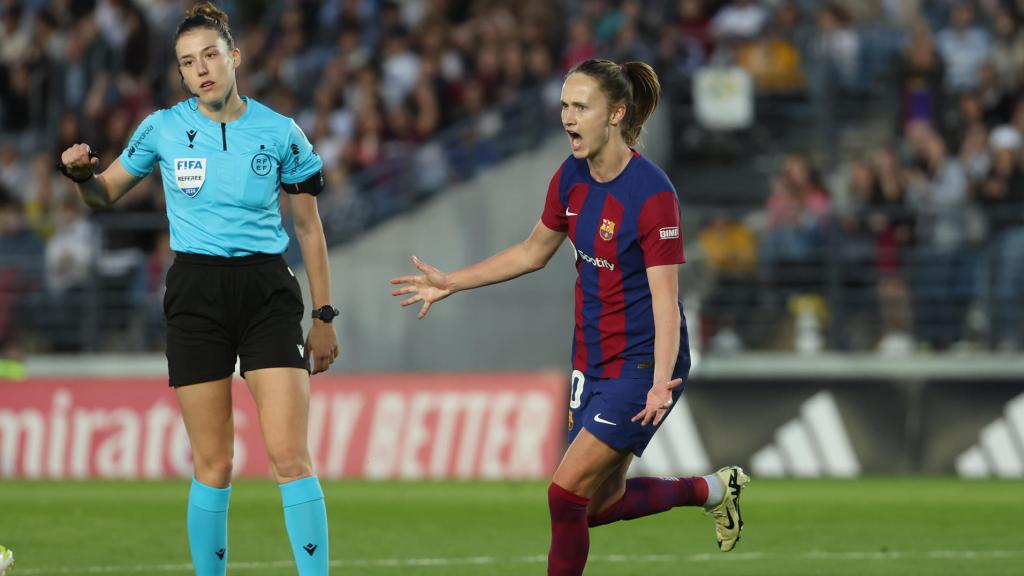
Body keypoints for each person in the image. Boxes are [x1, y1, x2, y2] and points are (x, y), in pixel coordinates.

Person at [391, 58, 750, 576]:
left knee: (564, 496)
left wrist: (657, 384)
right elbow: (532, 252)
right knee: (597, 506)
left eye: (581, 107)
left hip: (642, 362)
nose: (568, 118)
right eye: (564, 106)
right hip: (591, 358)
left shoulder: (653, 195)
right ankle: (714, 490)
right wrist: (452, 281)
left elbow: (667, 303)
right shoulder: (571, 177)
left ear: (615, 114)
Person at [57, 4, 338, 575]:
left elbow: (308, 226)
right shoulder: (160, 128)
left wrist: (325, 314)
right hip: (195, 295)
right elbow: (104, 195)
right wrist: (83, 175)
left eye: (211, 55)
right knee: (214, 463)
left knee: (290, 457)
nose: (202, 69)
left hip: (266, 292)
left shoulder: (281, 132)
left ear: (233, 57)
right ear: (181, 75)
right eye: (189, 62)